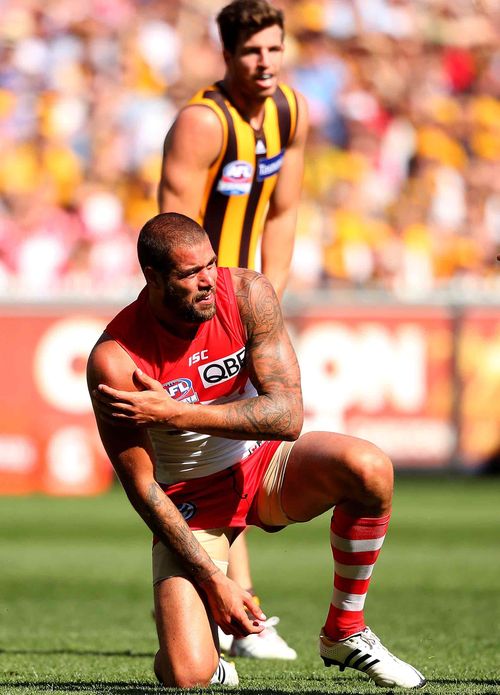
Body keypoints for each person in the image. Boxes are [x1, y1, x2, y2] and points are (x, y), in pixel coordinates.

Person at [87, 212, 426, 690]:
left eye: (211, 264)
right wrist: (216, 581)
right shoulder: (115, 359)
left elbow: (288, 418)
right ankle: (208, 658)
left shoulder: (247, 293)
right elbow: (142, 488)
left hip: (262, 464)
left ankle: (345, 631)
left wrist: (176, 414)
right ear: (154, 278)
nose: (208, 281)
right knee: (187, 675)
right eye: (189, 274)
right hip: (188, 504)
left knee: (369, 467)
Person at [157, 0, 309, 659]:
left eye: (274, 48)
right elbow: (175, 235)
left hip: (248, 309)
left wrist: (266, 301)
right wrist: (215, 310)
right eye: (252, 51)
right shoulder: (201, 122)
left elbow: (285, 210)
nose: (265, 62)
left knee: (242, 452)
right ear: (227, 55)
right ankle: (231, 612)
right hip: (199, 310)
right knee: (207, 460)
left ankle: (237, 613)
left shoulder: (291, 112)